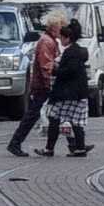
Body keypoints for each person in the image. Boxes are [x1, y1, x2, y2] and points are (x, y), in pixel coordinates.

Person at [7, 8, 66, 157]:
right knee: (35, 115)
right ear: (53, 26)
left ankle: (67, 145)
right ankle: (15, 143)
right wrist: (53, 78)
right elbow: (46, 65)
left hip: (44, 85)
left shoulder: (49, 40)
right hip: (44, 86)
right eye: (60, 26)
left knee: (51, 115)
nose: (62, 29)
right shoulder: (47, 42)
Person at [39, 18, 94, 158]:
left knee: (54, 118)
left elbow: (68, 71)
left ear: (68, 38)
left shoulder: (71, 53)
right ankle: (79, 148)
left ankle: (49, 149)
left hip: (67, 94)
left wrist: (55, 70)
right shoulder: (78, 52)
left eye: (62, 38)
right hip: (79, 94)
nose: (60, 40)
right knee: (77, 121)